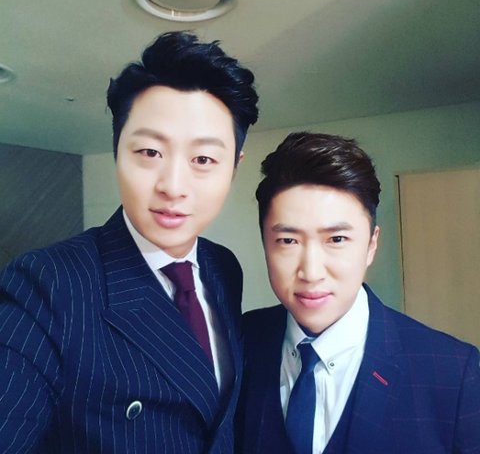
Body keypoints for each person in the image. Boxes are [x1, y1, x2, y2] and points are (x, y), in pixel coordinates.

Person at [0, 31, 258, 453]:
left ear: (233, 167)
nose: (173, 186)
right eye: (150, 152)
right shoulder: (46, 284)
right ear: (117, 149)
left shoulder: (223, 266)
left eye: (203, 159)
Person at [236, 132, 480, 454]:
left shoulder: (454, 372)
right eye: (288, 241)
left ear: (371, 245)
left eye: (337, 239)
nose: (311, 272)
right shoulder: (238, 344)